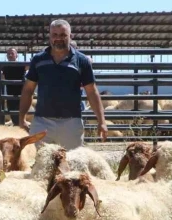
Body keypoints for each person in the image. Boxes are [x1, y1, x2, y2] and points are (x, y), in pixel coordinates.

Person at [19, 19, 107, 149]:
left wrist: (102, 121)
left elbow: (92, 92)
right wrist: (22, 118)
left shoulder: (81, 61)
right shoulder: (38, 60)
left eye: (63, 35)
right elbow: (28, 90)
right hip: (42, 122)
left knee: (72, 164)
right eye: (55, 35)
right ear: (50, 36)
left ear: (70, 37)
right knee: (40, 163)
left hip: (71, 123)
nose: (58, 38)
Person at [1, 47, 27, 126]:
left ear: (16, 55)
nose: (10, 55)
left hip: (21, 95)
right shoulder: (4, 66)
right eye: (8, 54)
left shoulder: (21, 65)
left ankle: (23, 132)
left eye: (12, 53)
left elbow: (31, 67)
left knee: (21, 116)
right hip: (10, 96)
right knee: (13, 115)